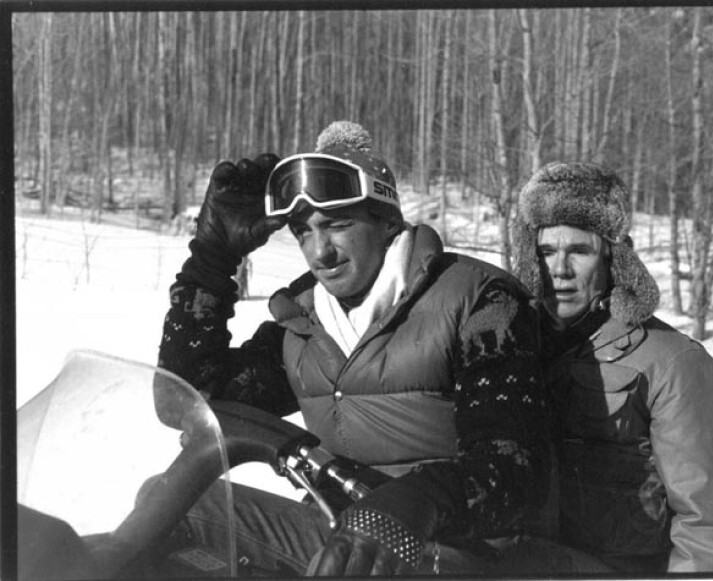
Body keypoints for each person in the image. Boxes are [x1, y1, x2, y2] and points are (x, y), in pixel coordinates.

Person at [157, 121, 551, 576]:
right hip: (335, 533)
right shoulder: (305, 319)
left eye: (337, 225)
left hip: (454, 549)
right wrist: (213, 257)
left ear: (387, 223)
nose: (319, 252)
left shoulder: (479, 300)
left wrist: (412, 503)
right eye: (303, 231)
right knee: (170, 504)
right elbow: (186, 400)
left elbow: (516, 468)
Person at [511, 161, 713, 573]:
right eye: (546, 252)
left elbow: (703, 525)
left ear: (613, 260)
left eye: (579, 251)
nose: (558, 270)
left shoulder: (674, 362)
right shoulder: (513, 344)